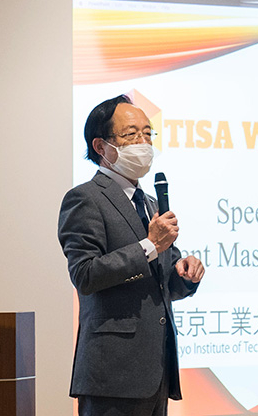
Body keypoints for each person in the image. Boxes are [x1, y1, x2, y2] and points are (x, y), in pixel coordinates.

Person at [58, 94, 204, 416]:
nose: (144, 142)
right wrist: (149, 246)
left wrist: (184, 273)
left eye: (148, 133)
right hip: (113, 374)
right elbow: (85, 275)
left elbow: (163, 282)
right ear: (101, 146)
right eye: (131, 134)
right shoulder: (84, 199)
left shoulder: (151, 203)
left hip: (157, 371)